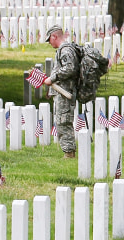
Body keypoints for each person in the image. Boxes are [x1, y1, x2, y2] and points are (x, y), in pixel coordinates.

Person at [43, 25, 79, 159]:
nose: (49, 43)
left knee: (63, 122)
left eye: (49, 40)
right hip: (61, 92)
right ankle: (68, 152)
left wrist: (52, 78)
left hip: (64, 92)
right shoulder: (63, 50)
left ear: (54, 36)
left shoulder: (66, 50)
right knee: (61, 121)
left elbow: (70, 68)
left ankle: (69, 153)